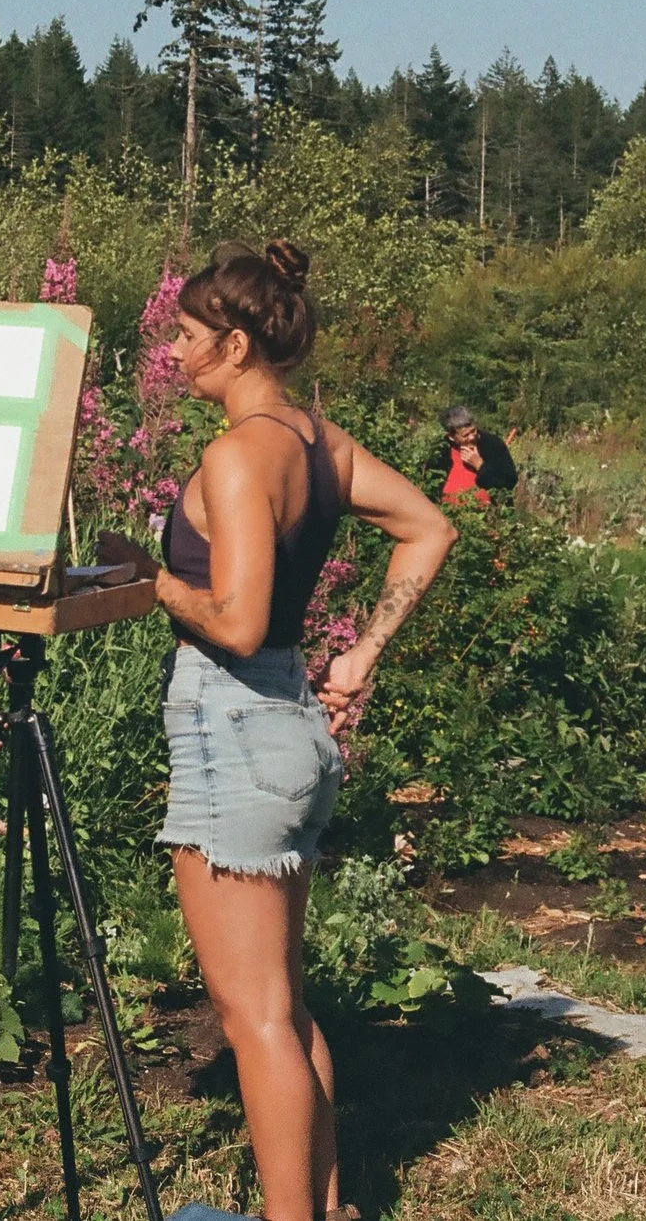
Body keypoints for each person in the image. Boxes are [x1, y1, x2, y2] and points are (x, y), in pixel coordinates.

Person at [144, 240, 457, 1221]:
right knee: (281, 1000)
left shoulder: (237, 456)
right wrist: (358, 654)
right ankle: (324, 1209)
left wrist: (142, 578)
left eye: (187, 334)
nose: (173, 349)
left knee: (255, 1014)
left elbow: (234, 620)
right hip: (286, 724)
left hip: (229, 724)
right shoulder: (322, 443)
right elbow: (429, 526)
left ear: (234, 343)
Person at [429, 406, 517, 506]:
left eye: (473, 431)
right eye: (465, 435)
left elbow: (509, 481)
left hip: (487, 516)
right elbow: (430, 486)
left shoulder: (492, 444)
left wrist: (480, 466)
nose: (471, 437)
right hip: (446, 515)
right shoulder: (441, 449)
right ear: (452, 437)